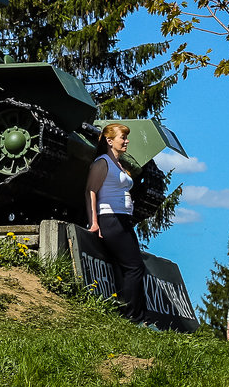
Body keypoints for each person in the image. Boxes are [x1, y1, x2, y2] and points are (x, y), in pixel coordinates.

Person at [84, 122, 148, 325]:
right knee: (134, 267)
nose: (127, 141)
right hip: (111, 218)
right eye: (123, 137)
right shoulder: (102, 162)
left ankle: (136, 316)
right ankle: (132, 317)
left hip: (123, 219)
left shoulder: (119, 164)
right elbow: (91, 191)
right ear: (110, 141)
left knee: (132, 267)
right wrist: (94, 222)